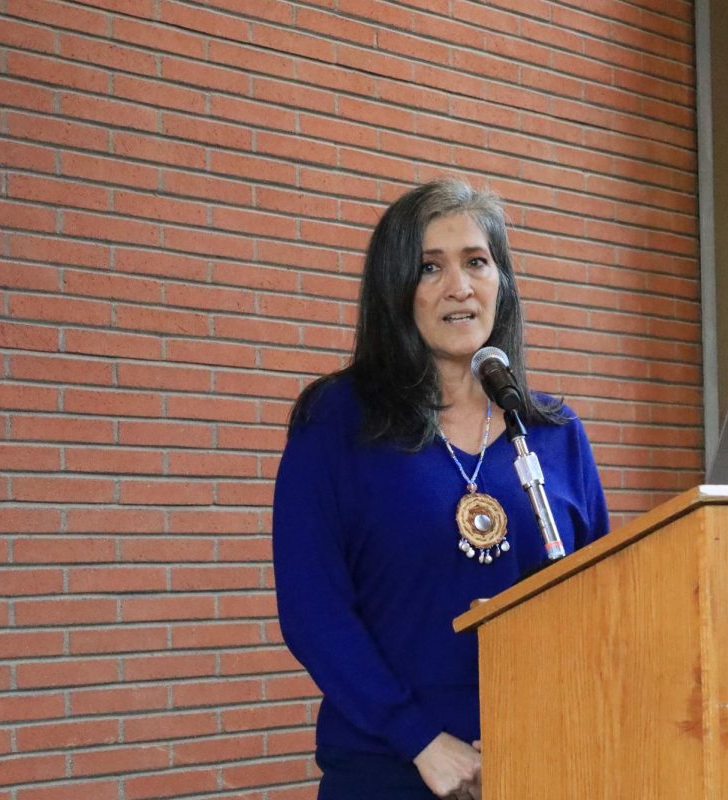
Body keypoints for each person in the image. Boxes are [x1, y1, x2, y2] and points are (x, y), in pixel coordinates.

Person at [271, 178, 610, 800]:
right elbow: (312, 611)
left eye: (477, 262)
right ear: (395, 291)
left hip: (542, 764)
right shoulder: (338, 422)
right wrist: (422, 740)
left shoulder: (553, 435)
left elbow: (600, 606)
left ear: (501, 282)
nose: (459, 286)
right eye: (430, 268)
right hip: (389, 771)